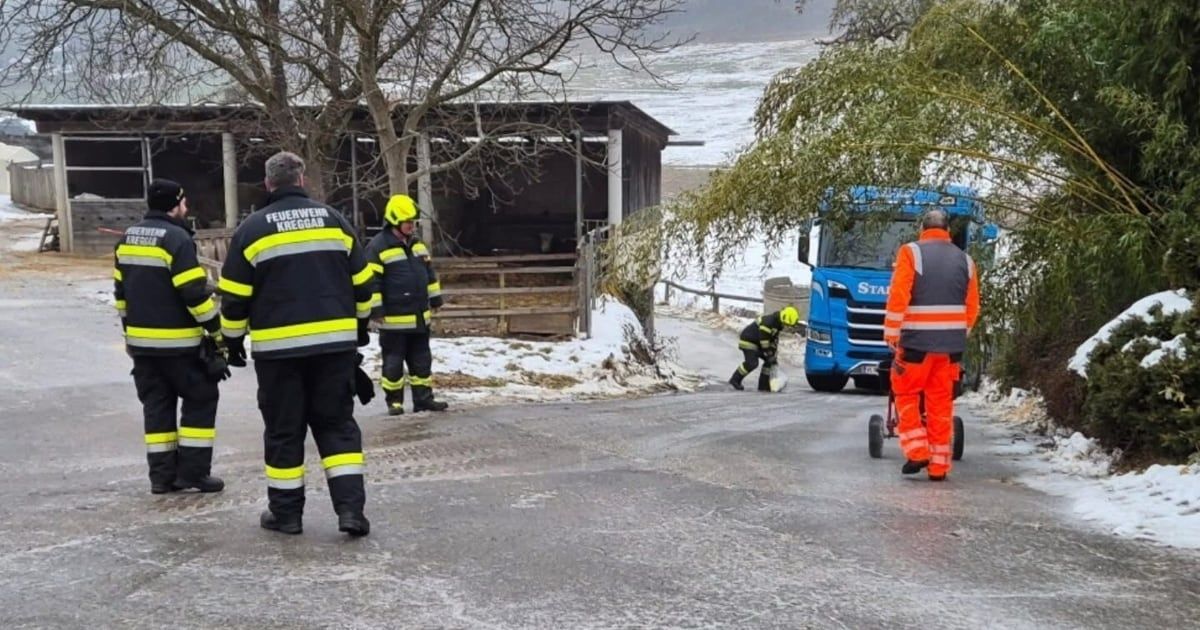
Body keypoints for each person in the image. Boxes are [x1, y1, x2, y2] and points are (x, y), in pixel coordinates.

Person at [218, 151, 374, 537]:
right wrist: (360, 328)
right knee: (337, 428)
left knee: (284, 431)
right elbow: (363, 283)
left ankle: (286, 515)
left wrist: (233, 342)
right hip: (334, 350)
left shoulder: (252, 229)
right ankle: (351, 512)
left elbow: (235, 296)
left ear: (268, 184)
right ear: (302, 181)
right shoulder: (335, 221)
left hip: (278, 354)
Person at [113, 178, 226, 495]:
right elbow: (193, 293)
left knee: (157, 409)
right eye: (184, 202)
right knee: (201, 400)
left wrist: (129, 334)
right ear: (175, 205)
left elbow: (121, 293)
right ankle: (193, 473)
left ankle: (161, 478)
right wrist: (216, 332)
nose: (186, 207)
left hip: (143, 347)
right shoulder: (177, 239)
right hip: (180, 346)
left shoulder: (127, 238)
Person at [884, 209, 980, 482]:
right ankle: (939, 466)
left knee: (906, 393)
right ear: (947, 230)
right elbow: (972, 306)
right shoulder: (966, 260)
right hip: (950, 348)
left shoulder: (911, 253)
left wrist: (892, 332)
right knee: (940, 403)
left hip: (916, 343)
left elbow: (899, 293)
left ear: (922, 229)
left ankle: (917, 451)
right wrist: (959, 333)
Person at [365, 194, 448, 416]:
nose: (412, 226)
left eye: (413, 222)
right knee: (393, 364)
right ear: (394, 221)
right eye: (408, 222)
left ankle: (424, 399)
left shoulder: (418, 245)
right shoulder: (377, 247)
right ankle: (394, 402)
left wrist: (436, 299)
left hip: (419, 318)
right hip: (394, 321)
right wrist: (376, 310)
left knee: (422, 362)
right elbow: (372, 283)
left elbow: (429, 275)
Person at [730, 306, 801, 391]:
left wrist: (773, 355)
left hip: (758, 343)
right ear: (784, 319)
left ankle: (763, 386)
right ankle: (735, 380)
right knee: (752, 363)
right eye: (787, 325)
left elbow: (773, 340)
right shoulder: (769, 322)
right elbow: (764, 340)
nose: (787, 327)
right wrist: (769, 353)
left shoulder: (778, 325)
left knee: (770, 362)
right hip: (748, 340)